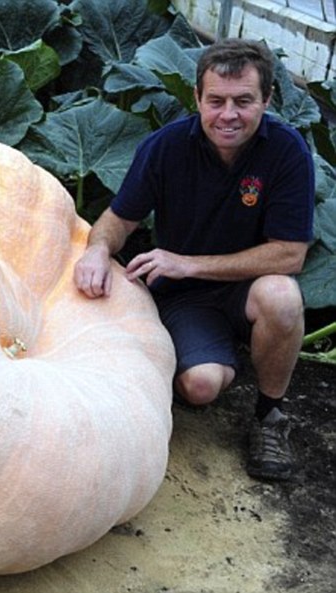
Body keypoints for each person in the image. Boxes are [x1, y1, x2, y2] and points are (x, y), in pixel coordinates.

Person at [73, 38, 314, 481]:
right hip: (186, 300)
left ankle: (269, 416)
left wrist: (188, 262)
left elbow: (290, 254)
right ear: (197, 98)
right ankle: (224, 353)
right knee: (200, 388)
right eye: (216, 100)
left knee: (282, 296)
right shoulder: (165, 148)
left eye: (243, 101)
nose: (229, 115)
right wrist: (96, 248)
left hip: (249, 290)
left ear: (266, 99)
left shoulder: (286, 151)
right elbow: (118, 218)